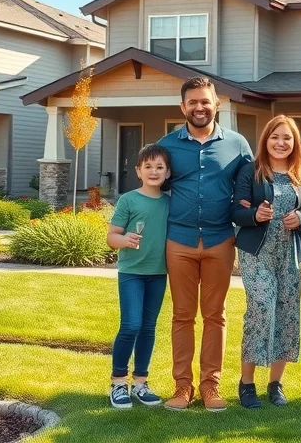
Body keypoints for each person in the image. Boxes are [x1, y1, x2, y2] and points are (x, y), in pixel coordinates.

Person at [157, 77, 253, 412]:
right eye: (193, 102)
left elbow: (250, 190)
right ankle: (183, 387)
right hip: (178, 240)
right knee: (182, 316)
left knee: (215, 315)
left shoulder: (238, 145)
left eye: (205, 101)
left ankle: (211, 387)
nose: (200, 107)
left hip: (219, 240)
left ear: (217, 104)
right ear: (183, 107)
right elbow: (151, 187)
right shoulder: (166, 146)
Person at [232, 115, 301, 409]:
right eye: (275, 137)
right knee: (261, 308)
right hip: (257, 252)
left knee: (286, 314)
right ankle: (246, 385)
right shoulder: (251, 172)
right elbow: (235, 211)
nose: (281, 143)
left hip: (289, 254)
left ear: (295, 142)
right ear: (265, 140)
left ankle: (275, 384)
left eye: (287, 138)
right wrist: (254, 214)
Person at [105, 144, 172, 409]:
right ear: (138, 171)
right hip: (132, 273)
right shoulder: (129, 200)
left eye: (159, 167)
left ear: (167, 173)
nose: (153, 171)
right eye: (148, 167)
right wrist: (124, 239)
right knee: (130, 325)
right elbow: (111, 237)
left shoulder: (170, 202)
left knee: (148, 328)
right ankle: (118, 382)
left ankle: (141, 383)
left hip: (158, 274)